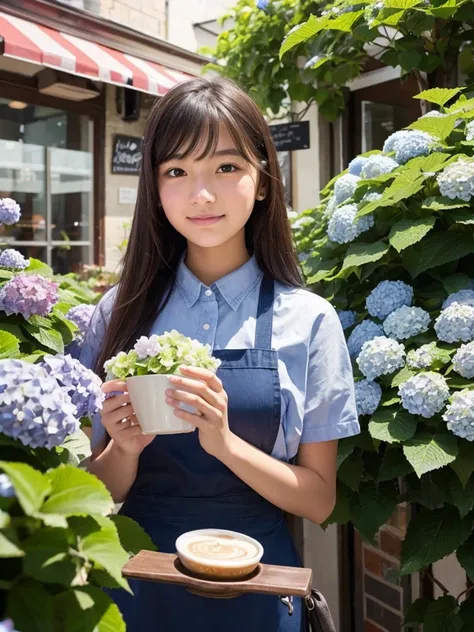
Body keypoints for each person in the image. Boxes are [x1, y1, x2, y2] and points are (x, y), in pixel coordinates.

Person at [80, 76, 360, 632]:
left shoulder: (309, 320)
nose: (201, 194)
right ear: (155, 189)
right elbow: (94, 492)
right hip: (136, 579)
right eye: (177, 171)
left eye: (226, 168)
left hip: (260, 588)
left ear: (261, 181)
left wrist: (224, 442)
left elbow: (320, 500)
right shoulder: (118, 312)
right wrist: (124, 450)